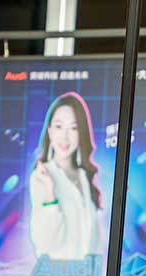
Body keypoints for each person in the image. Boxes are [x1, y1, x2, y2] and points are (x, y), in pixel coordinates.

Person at [29, 92, 104, 261]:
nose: (65, 136)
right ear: (49, 131)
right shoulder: (42, 177)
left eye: (73, 128)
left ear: (81, 133)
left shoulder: (85, 177)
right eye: (59, 127)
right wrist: (50, 192)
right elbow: (45, 242)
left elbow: (95, 244)